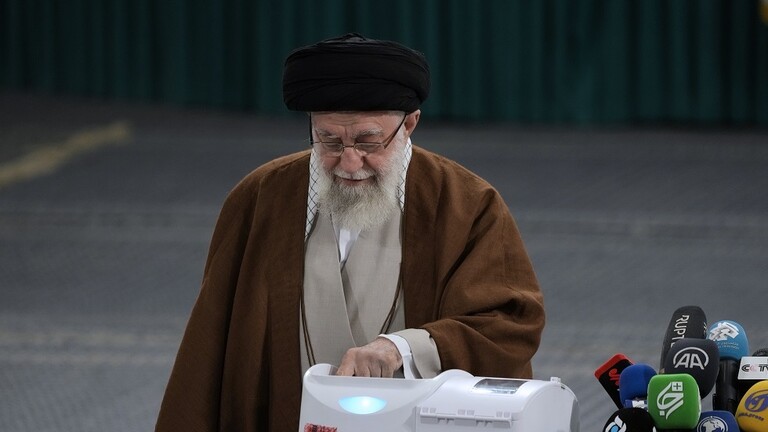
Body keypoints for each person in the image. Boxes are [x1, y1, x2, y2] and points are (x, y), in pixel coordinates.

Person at [155, 33, 545, 432]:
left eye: (368, 141)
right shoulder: (259, 198)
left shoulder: (466, 204)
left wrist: (404, 348)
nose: (349, 161)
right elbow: (209, 346)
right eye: (329, 140)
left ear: (410, 123)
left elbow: (507, 323)